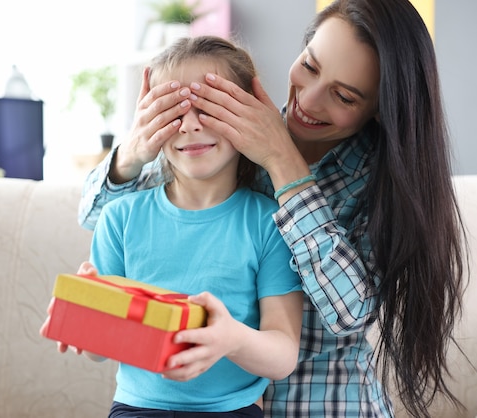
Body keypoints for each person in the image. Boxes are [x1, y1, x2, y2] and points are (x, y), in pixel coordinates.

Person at [77, 0, 467, 417]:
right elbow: (102, 219)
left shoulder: (380, 185)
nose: (309, 101)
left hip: (327, 406)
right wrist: (133, 152)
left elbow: (348, 315)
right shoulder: (220, 136)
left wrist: (283, 162)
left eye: (343, 96)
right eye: (310, 66)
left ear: (380, 110)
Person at [44, 36, 303, 418]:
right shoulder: (120, 218)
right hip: (137, 408)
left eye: (209, 107)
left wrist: (231, 339)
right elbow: (100, 352)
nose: (190, 126)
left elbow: (282, 354)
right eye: (173, 110)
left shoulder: (269, 223)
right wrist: (82, 321)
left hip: (232, 410)